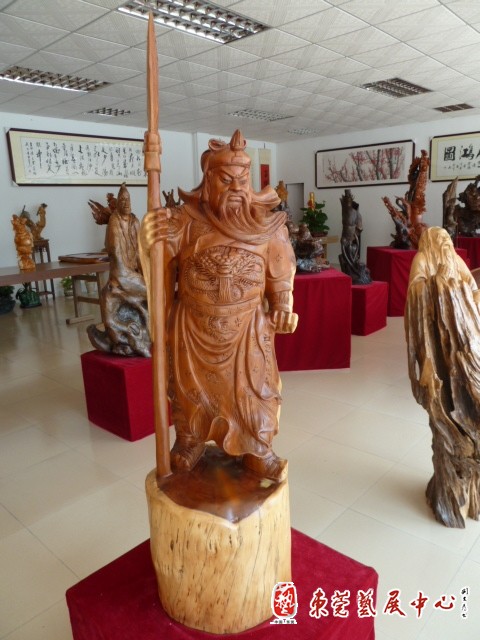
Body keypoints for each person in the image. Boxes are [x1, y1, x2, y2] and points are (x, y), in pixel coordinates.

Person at [140, 130, 298, 481]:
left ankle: (258, 449)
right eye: (226, 180)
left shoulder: (266, 224)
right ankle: (190, 440)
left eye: (243, 179)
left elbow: (280, 266)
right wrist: (149, 237)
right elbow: (161, 260)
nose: (237, 188)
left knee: (254, 392)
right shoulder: (185, 221)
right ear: (208, 180)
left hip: (247, 328)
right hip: (194, 327)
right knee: (191, 391)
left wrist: (282, 303)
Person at [405, 227, 480, 527]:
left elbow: (471, 286)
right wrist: (437, 288)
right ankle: (450, 491)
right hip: (437, 338)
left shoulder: (455, 261)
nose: (445, 244)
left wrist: (465, 296)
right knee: (445, 400)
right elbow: (416, 290)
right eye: (441, 240)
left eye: (447, 240)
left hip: (464, 339)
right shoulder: (423, 260)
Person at [87, 182, 150, 357]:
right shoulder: (114, 221)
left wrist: (144, 271)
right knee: (149, 292)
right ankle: (122, 338)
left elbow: (140, 251)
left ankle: (143, 335)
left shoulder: (134, 220)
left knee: (153, 288)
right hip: (121, 274)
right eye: (122, 200)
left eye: (128, 200)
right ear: (117, 204)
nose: (126, 203)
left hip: (133, 272)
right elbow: (116, 254)